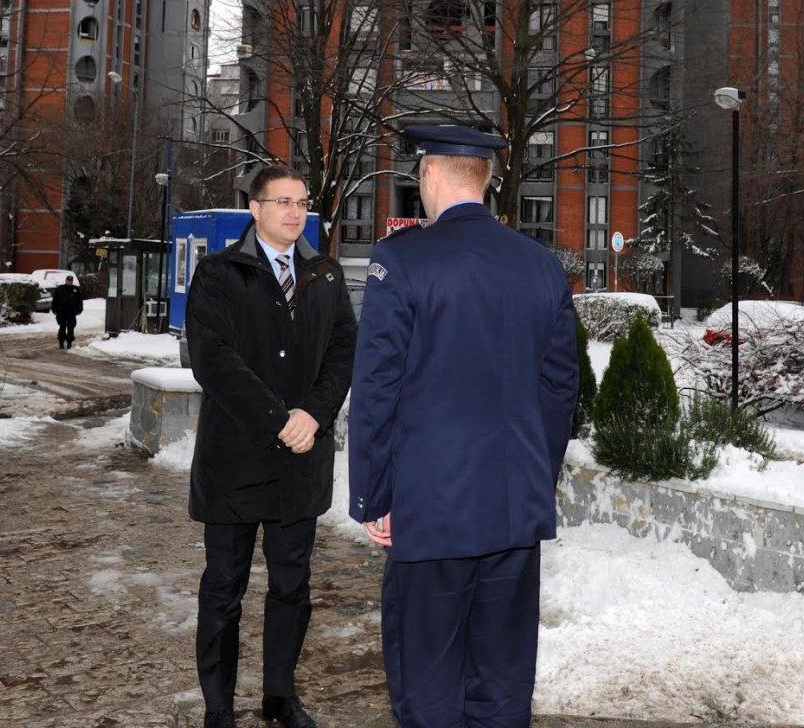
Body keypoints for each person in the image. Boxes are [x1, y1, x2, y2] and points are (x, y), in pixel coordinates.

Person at [348, 125, 579, 728]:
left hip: (432, 511)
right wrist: (536, 474)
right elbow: (560, 389)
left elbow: (378, 386)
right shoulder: (541, 264)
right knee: (502, 681)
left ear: (428, 173)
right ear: (486, 180)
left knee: (427, 682)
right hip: (512, 508)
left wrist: (374, 494)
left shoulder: (401, 258)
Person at [186, 164, 357, 728]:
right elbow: (214, 359)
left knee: (292, 587)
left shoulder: (325, 275)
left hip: (301, 462)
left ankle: (280, 696)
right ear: (254, 207)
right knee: (223, 589)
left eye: (302, 201)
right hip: (235, 460)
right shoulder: (219, 272)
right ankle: (219, 706)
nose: (294, 211)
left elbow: (342, 353)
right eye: (282, 200)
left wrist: (312, 413)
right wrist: (276, 419)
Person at [50, 275, 83, 349]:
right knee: (62, 328)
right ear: (65, 280)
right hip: (61, 312)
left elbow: (79, 301)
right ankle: (61, 343)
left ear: (72, 281)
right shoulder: (60, 289)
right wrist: (54, 309)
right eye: (68, 280)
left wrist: (79, 310)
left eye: (71, 281)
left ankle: (69, 343)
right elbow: (55, 300)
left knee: (71, 328)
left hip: (71, 312)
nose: (69, 282)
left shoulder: (75, 289)